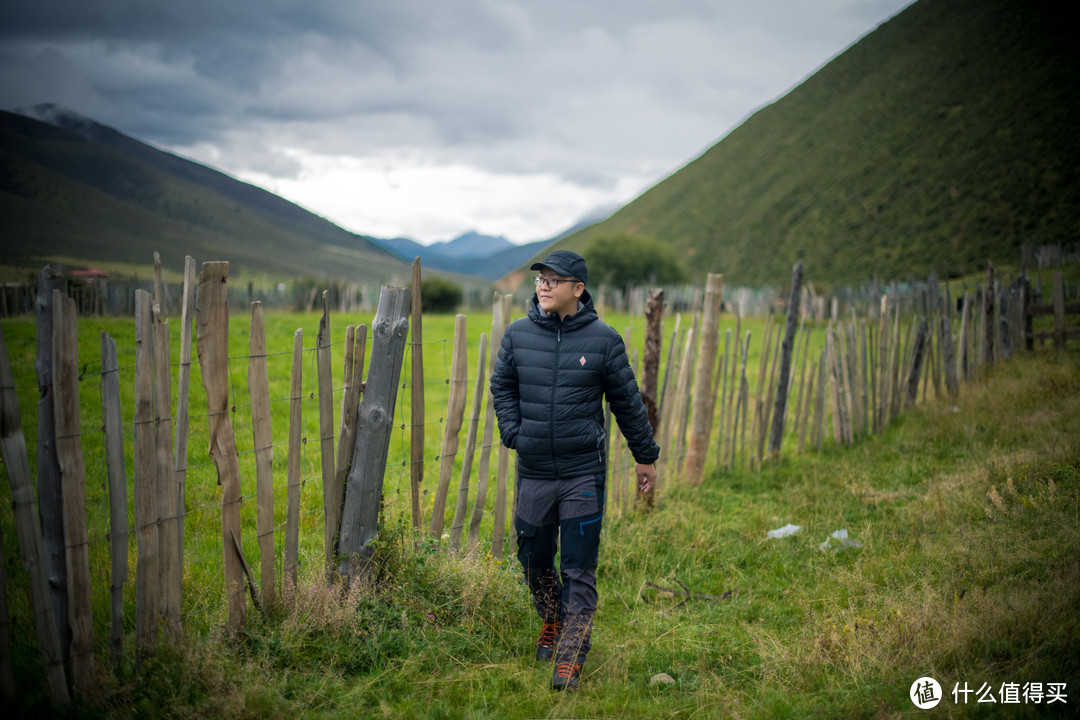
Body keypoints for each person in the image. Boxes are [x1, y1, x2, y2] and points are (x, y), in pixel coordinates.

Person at [489, 249, 660, 691]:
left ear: (577, 289)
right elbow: (502, 386)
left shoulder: (604, 340)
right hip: (535, 471)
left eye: (553, 279)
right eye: (540, 279)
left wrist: (646, 457)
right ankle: (553, 618)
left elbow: (626, 402)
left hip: (583, 472)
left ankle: (570, 656)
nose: (543, 285)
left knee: (579, 569)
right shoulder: (517, 335)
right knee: (532, 561)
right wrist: (514, 433)